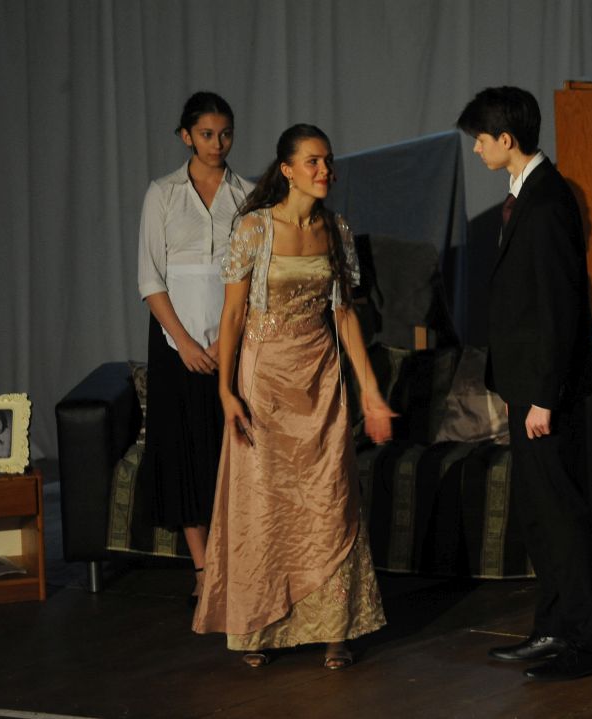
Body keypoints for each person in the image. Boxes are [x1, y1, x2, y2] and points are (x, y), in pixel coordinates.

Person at [192, 124, 392, 671]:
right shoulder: (255, 229)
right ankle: (258, 623)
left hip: (320, 378)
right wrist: (225, 391)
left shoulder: (336, 228)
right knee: (265, 502)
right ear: (286, 170)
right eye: (312, 162)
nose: (325, 171)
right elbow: (233, 315)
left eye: (328, 161)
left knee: (329, 500)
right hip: (265, 382)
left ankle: (333, 628)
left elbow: (344, 315)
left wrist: (372, 394)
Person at [456, 87, 592, 682]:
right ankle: (553, 628)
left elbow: (557, 307)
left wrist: (544, 396)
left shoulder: (546, 201)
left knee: (562, 515)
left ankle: (587, 643)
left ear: (507, 138)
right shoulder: (528, 193)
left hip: (547, 390)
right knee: (540, 515)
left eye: (481, 139)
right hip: (527, 384)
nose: (476, 149)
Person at [136, 92, 254, 605]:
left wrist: (227, 340)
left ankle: (236, 563)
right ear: (186, 136)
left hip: (231, 340)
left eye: (225, 133)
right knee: (184, 449)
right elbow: (150, 277)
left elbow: (250, 274)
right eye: (206, 134)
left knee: (229, 448)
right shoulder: (162, 194)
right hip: (175, 344)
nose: (217, 143)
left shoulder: (247, 195)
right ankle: (204, 571)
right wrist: (183, 342)